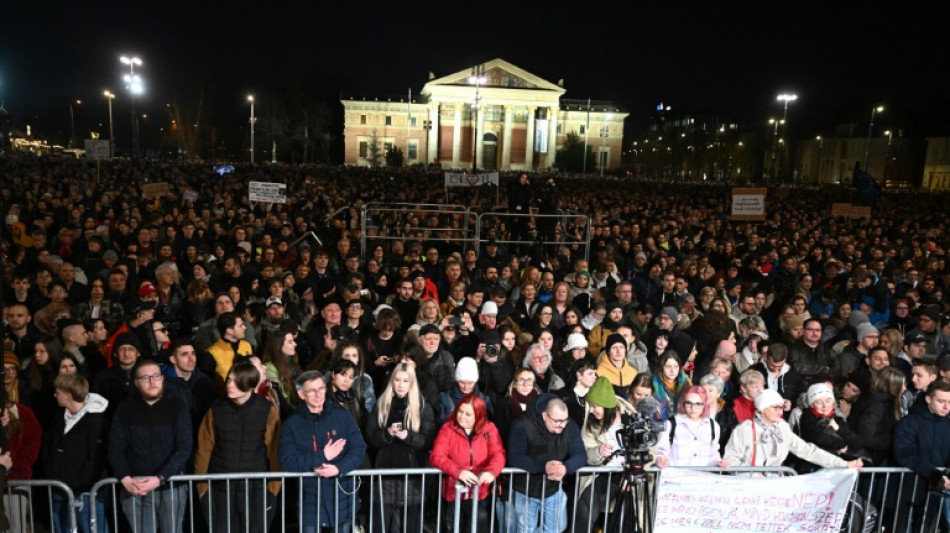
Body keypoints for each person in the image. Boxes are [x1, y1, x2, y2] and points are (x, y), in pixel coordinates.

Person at [194, 359, 282, 532]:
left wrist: (272, 490)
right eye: (228, 380)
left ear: (249, 384)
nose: (229, 385)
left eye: (235, 381)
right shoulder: (216, 408)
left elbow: (274, 451)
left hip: (256, 490)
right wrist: (202, 489)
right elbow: (203, 450)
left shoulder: (266, 409)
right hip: (220, 489)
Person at [108, 358, 192, 533]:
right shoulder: (124, 409)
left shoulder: (177, 405)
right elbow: (115, 447)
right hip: (135, 486)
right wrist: (124, 477)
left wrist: (159, 478)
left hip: (171, 485)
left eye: (156, 376)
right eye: (146, 378)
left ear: (162, 378)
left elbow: (184, 448)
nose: (152, 381)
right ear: (136, 383)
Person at [279, 371, 367, 533]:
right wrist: (323, 456)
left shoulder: (342, 416)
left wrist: (339, 468)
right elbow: (288, 462)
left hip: (343, 501)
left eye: (321, 389)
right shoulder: (291, 425)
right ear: (301, 394)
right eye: (312, 391)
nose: (318, 395)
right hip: (310, 505)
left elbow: (359, 449)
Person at [364, 363, 437, 533]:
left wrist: (409, 437)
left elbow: (428, 441)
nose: (401, 384)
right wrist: (387, 435)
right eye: (397, 380)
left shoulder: (423, 407)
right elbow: (370, 437)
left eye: (405, 380)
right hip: (384, 475)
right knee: (380, 526)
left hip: (413, 477)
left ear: (412, 383)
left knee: (410, 526)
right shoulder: (381, 404)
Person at [723, 390, 862, 469]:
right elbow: (730, 459)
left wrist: (843, 464)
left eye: (781, 407)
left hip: (773, 486)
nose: (780, 411)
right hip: (749, 487)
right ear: (762, 409)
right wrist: (751, 474)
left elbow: (807, 450)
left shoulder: (782, 427)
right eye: (775, 407)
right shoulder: (745, 429)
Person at [506, 395, 586, 533]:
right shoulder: (523, 424)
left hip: (553, 489)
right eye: (557, 421)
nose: (562, 424)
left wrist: (565, 468)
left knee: (555, 530)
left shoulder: (570, 426)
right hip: (525, 489)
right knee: (525, 530)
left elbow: (580, 454)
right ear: (545, 416)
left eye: (565, 420)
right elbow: (515, 457)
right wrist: (543, 467)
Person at [42, 374, 110, 533]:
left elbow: (96, 456)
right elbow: (48, 447)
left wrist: (81, 481)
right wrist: (51, 472)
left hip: (86, 493)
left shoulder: (96, 420)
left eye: (57, 392)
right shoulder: (58, 417)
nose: (55, 395)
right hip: (59, 488)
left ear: (67, 394)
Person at [429, 394, 506, 533]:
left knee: (478, 522)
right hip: (453, 491)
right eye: (460, 411)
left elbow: (498, 454)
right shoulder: (447, 429)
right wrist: (457, 472)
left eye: (468, 414)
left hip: (480, 491)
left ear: (478, 415)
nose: (462, 416)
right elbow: (437, 456)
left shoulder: (490, 430)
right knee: (453, 527)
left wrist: (492, 471)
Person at [573, 377, 637, 533]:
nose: (592, 410)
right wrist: (598, 451)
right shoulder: (591, 423)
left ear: (608, 406)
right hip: (601, 474)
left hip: (629, 475)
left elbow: (650, 450)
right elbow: (584, 452)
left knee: (627, 519)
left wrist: (634, 470)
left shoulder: (632, 418)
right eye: (591, 406)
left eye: (595, 406)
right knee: (584, 511)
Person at [892, 380, 950, 531]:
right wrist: (935, 474)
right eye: (941, 401)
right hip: (907, 488)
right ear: (928, 399)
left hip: (937, 489)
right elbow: (904, 454)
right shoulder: (909, 422)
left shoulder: (948, 424)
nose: (946, 406)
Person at [796, 383, 866, 473]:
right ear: (812, 404)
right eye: (819, 402)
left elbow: (857, 443)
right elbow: (818, 438)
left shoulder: (838, 420)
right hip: (812, 470)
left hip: (836, 471)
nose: (825, 406)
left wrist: (838, 428)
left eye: (828, 401)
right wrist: (842, 444)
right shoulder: (807, 419)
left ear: (833, 402)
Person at [655, 385, 728, 468]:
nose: (693, 408)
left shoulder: (713, 426)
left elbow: (713, 453)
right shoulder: (670, 424)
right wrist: (660, 459)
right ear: (683, 403)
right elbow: (660, 451)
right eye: (689, 403)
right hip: (676, 477)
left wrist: (718, 462)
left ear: (704, 405)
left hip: (704, 477)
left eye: (698, 404)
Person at [198, 311, 253, 392]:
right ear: (230, 331)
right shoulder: (211, 354)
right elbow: (205, 386)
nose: (245, 327)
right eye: (241, 325)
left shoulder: (247, 346)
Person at [651, 351, 691, 420]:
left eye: (676, 366)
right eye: (668, 366)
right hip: (659, 424)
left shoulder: (686, 381)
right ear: (661, 367)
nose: (672, 370)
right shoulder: (653, 382)